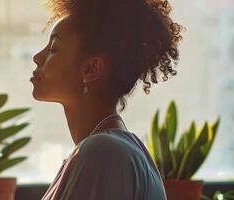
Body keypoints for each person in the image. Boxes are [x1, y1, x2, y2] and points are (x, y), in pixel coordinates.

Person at [29, 0, 183, 199]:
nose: (37, 57)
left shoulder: (103, 153)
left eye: (54, 48)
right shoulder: (109, 149)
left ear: (91, 69)